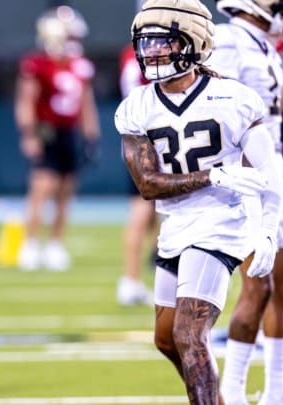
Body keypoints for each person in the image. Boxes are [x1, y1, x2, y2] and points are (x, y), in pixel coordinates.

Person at [115, 0, 283, 402]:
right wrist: (213, 174)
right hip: (175, 225)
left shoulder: (234, 99)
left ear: (193, 43)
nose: (152, 51)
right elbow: (149, 184)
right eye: (147, 43)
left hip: (221, 222)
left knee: (189, 335)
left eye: (164, 42)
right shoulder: (137, 106)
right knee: (166, 339)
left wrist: (266, 231)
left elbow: (271, 170)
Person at [206, 1, 283, 403]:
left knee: (279, 288)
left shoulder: (263, 43)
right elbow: (221, 109)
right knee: (256, 288)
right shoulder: (230, 40)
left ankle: (275, 392)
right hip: (250, 176)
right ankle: (232, 393)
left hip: (273, 168)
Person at [15, 5, 101, 272]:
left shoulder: (80, 66)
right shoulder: (37, 64)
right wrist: (29, 133)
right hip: (46, 130)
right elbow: (26, 100)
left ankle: (55, 245)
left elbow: (86, 103)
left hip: (69, 132)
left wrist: (91, 136)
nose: (75, 43)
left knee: (66, 191)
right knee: (42, 189)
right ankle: (30, 245)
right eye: (71, 37)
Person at [117, 44, 156, 306]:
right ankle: (129, 280)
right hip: (146, 143)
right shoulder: (136, 56)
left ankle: (139, 279)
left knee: (152, 217)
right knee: (141, 215)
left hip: (154, 141)